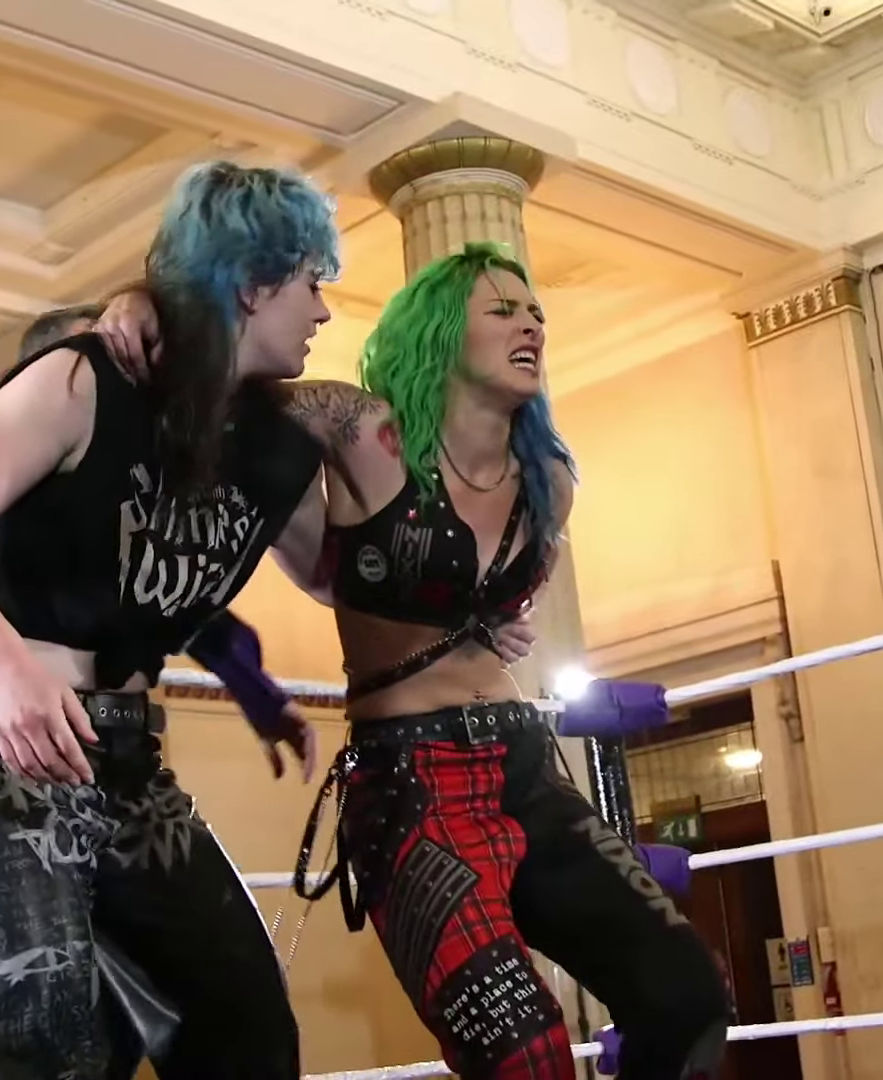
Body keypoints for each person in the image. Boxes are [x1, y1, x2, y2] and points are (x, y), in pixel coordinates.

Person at [93, 240, 731, 1079]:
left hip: (524, 766)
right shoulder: (358, 429)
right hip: (410, 783)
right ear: (440, 331)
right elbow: (227, 388)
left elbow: (482, 599)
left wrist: (489, 619)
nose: (531, 325)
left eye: (536, 312)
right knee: (525, 1055)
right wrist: (147, 307)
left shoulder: (548, 479)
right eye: (502, 310)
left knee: (690, 998)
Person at [0, 159, 339, 1079]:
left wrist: (475, 590)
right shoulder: (83, 380)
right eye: (311, 283)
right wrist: (6, 666)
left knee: (245, 1022)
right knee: (47, 1044)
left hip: (126, 750)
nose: (324, 312)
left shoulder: (270, 445)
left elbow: (343, 579)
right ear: (253, 285)